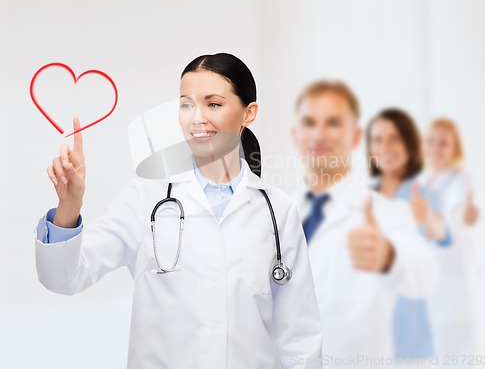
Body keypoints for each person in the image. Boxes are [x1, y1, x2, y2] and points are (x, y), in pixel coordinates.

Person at [35, 53, 322, 369]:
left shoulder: (277, 210)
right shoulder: (148, 194)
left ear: (248, 113)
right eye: (187, 105)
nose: (197, 118)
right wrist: (70, 206)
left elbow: (299, 335)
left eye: (213, 104)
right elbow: (63, 278)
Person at [291, 80, 438, 368]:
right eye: (309, 123)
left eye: (333, 123)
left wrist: (389, 257)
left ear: (356, 137)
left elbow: (426, 274)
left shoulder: (383, 211)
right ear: (296, 135)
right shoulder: (278, 213)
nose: (319, 134)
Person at [366, 108, 451, 361]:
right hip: (368, 328)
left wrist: (427, 220)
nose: (386, 147)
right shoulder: (363, 196)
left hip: (410, 333)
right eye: (378, 139)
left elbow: (442, 233)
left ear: (409, 143)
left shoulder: (422, 194)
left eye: (395, 138)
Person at [419, 118, 480, 363]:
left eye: (443, 143)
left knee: (457, 355)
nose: (435, 149)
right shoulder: (421, 184)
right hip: (430, 287)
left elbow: (459, 211)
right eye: (430, 142)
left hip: (455, 288)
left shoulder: (461, 179)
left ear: (455, 148)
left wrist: (463, 214)